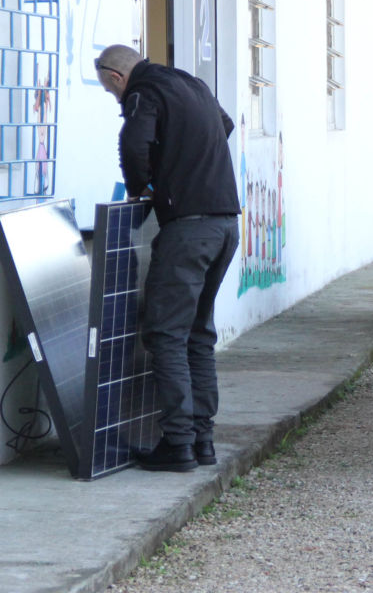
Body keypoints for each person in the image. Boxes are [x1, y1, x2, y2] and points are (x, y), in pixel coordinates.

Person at [95, 44, 240, 472]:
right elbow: (225, 124)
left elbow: (134, 144)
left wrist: (142, 186)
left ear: (117, 77)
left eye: (109, 91)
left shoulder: (142, 93)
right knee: (198, 334)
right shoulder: (190, 84)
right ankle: (203, 441)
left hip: (189, 231)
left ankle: (177, 444)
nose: (114, 98)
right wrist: (191, 161)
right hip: (225, 224)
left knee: (166, 335)